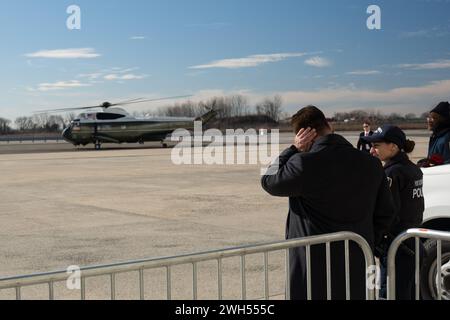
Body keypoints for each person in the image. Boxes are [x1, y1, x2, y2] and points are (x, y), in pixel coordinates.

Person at [261, 106, 395, 300]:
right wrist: (367, 241)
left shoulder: (303, 163)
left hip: (313, 266)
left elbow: (268, 180)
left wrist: (293, 149)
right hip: (357, 259)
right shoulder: (371, 163)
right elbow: (385, 213)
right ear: (329, 126)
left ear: (303, 135)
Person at [362, 125, 425, 300]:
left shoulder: (392, 173)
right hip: (412, 242)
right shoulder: (413, 169)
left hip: (397, 246)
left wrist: (376, 240)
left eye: (376, 146)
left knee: (389, 292)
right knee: (408, 291)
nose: (372, 151)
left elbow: (387, 212)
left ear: (393, 146)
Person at [419, 101, 450, 166]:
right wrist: (427, 162)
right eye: (429, 118)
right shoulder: (436, 137)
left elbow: (447, 165)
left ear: (443, 121)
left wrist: (432, 165)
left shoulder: (447, 139)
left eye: (433, 118)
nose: (429, 121)